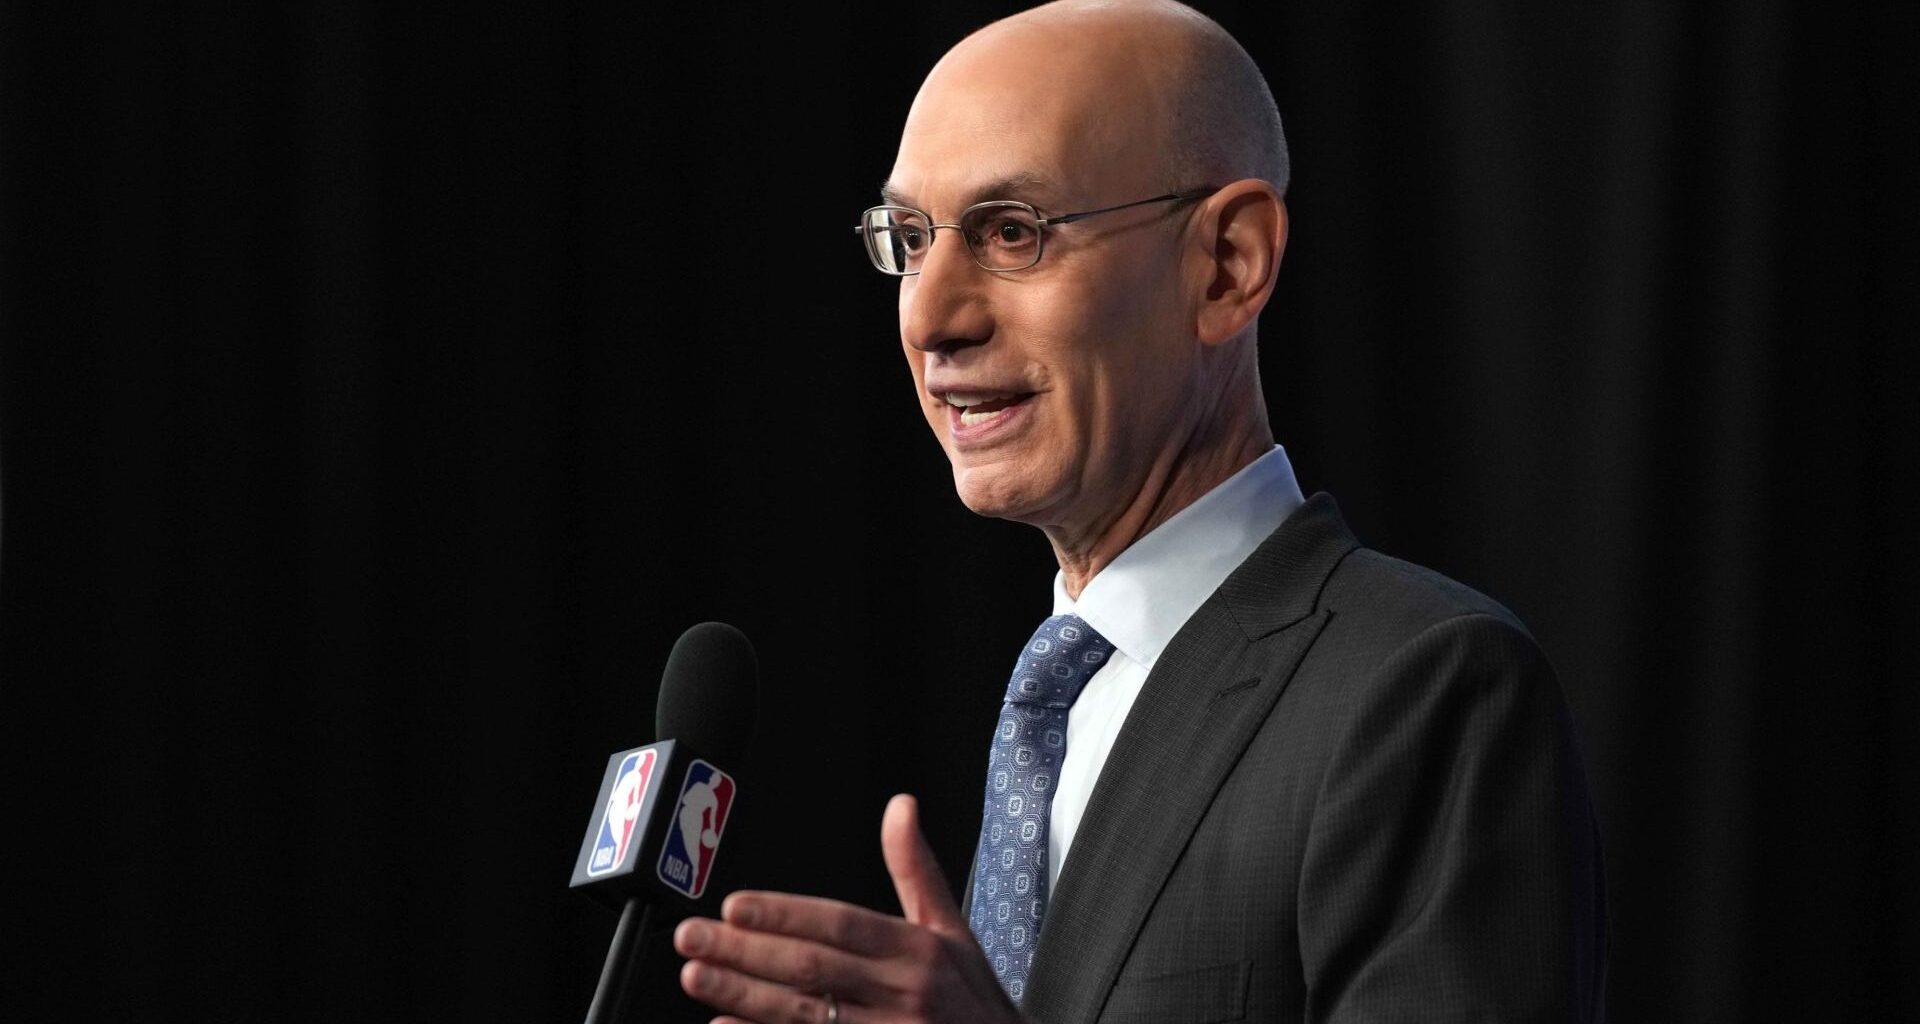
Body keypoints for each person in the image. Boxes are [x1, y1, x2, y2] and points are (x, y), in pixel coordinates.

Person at [671, 1, 1608, 1020]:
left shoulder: (1426, 690)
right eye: (910, 238)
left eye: (1011, 233)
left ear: (1227, 265)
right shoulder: (1055, 700)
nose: (932, 317)